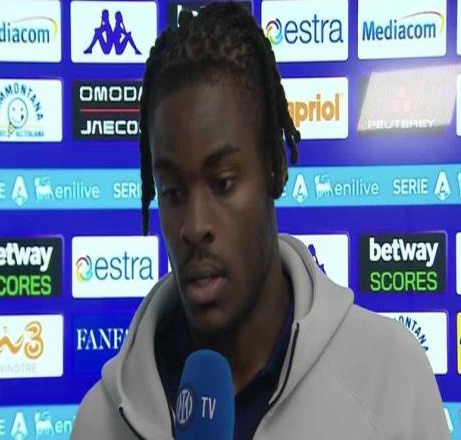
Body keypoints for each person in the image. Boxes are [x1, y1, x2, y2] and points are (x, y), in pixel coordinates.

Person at [72, 3, 449, 439]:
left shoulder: (390, 380)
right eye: (173, 192)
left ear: (275, 168)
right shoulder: (100, 422)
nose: (194, 226)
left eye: (223, 183)